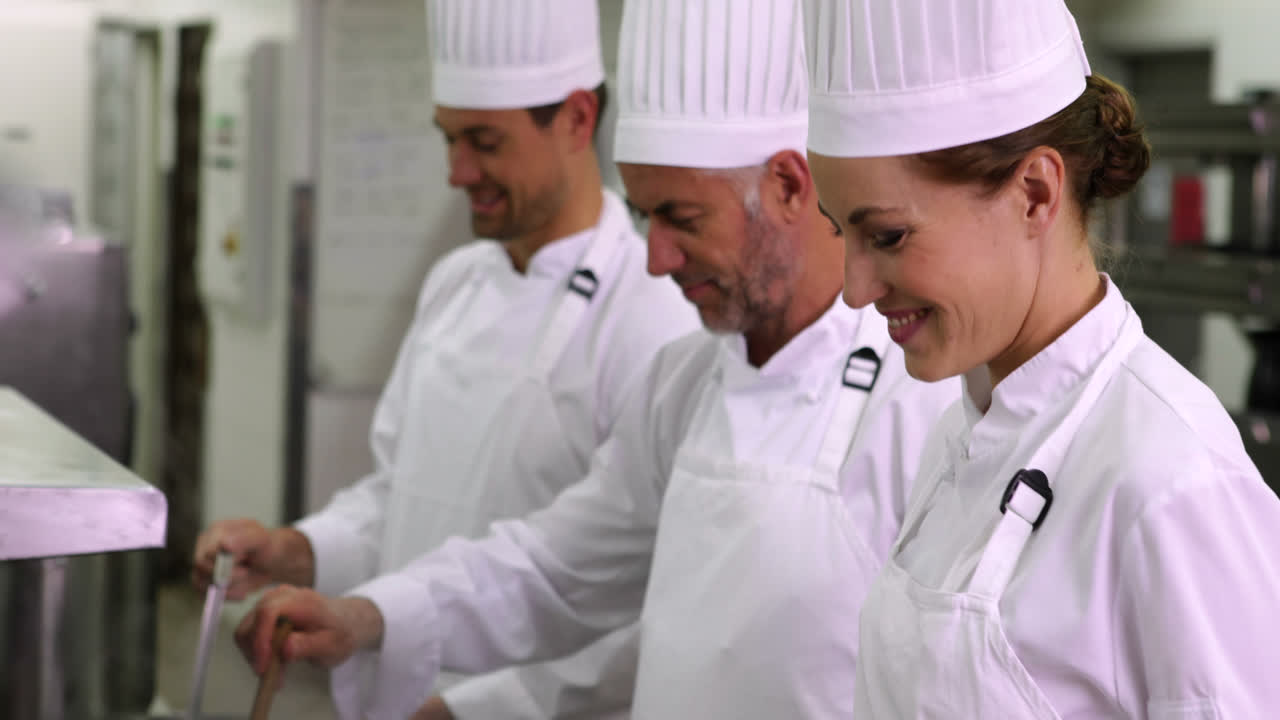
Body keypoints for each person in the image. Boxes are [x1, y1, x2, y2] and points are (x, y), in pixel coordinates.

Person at [232, 1, 959, 718]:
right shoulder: (685, 385)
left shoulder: (925, 405)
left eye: (681, 217)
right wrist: (370, 617)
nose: (656, 259)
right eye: (644, 217)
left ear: (791, 187)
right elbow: (555, 570)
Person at [192, 0, 699, 716]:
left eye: (485, 141)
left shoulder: (656, 315)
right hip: (395, 695)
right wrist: (295, 548)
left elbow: (633, 595)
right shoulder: (456, 283)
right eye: (449, 139)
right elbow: (397, 497)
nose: (458, 172)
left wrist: (484, 708)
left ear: (578, 119)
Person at [803, 0, 1280, 716]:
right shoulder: (956, 440)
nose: (854, 290)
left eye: (890, 237)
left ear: (1034, 194)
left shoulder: (1170, 480)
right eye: (841, 234)